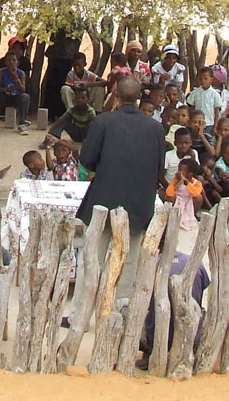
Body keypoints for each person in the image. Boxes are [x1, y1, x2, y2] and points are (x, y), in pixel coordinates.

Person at [76, 76, 166, 300]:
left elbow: (86, 159)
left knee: (92, 256)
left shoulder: (103, 121)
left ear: (116, 95)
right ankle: (122, 308)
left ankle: (82, 309)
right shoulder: (155, 128)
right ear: (139, 97)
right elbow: (159, 167)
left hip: (104, 199)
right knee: (130, 258)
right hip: (138, 202)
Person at [0, 54, 31, 135]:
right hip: (4, 97)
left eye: (14, 60)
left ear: (17, 62)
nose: (11, 62)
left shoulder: (21, 73)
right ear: (5, 62)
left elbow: (23, 90)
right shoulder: (2, 72)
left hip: (16, 97)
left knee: (25, 97)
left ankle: (22, 124)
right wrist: (9, 89)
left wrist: (15, 77)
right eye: (9, 60)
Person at [165, 158, 204, 232]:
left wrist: (187, 182)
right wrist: (180, 181)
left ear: (190, 174)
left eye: (181, 170)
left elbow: (196, 193)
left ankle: (193, 215)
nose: (178, 172)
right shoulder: (176, 180)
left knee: (199, 197)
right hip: (177, 202)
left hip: (188, 203)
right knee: (170, 197)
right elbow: (169, 193)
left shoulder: (197, 183)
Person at [187, 66, 224, 131]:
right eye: (200, 79)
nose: (203, 81)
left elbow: (217, 111)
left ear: (211, 80)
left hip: (210, 124)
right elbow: (191, 108)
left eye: (205, 79)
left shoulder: (215, 94)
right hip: (196, 124)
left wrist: (215, 126)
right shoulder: (195, 93)